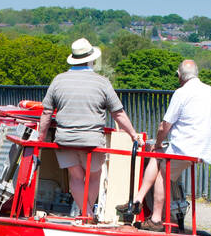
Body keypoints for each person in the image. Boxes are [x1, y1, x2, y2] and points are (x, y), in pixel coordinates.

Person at [37, 38, 140, 216]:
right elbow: (118, 113)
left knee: (75, 177)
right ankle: (87, 214)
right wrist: (132, 134)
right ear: (91, 59)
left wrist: (40, 138)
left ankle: (86, 213)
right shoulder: (102, 82)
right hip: (92, 140)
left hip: (65, 139)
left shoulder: (58, 80)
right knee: (94, 175)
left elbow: (46, 113)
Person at [124, 59, 211, 230]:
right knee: (157, 158)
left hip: (189, 148)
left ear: (179, 76)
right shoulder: (210, 91)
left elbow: (164, 126)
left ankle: (155, 219)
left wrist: (158, 142)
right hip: (207, 148)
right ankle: (137, 200)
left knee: (164, 172)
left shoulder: (181, 93)